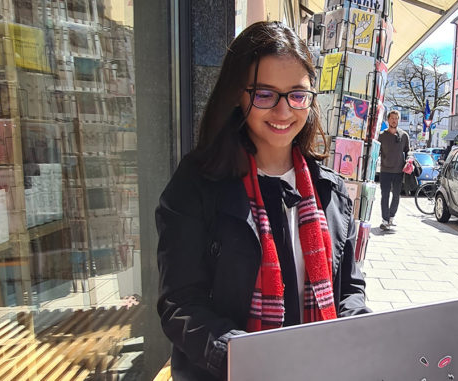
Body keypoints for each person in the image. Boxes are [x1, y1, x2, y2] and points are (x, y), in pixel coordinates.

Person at [155, 21, 370, 380]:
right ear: (237, 95)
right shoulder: (196, 185)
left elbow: (349, 289)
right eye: (265, 94)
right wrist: (253, 360)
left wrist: (361, 337)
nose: (284, 111)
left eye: (297, 95)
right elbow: (180, 304)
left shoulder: (330, 191)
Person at [377, 110, 410, 230]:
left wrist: (410, 158)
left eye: (396, 118)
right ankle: (384, 220)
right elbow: (376, 153)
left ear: (398, 120)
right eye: (392, 118)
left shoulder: (404, 135)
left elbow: (408, 150)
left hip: (398, 171)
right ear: (388, 119)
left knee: (396, 196)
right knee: (384, 195)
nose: (394, 120)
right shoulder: (381, 135)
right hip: (385, 170)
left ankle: (391, 217)